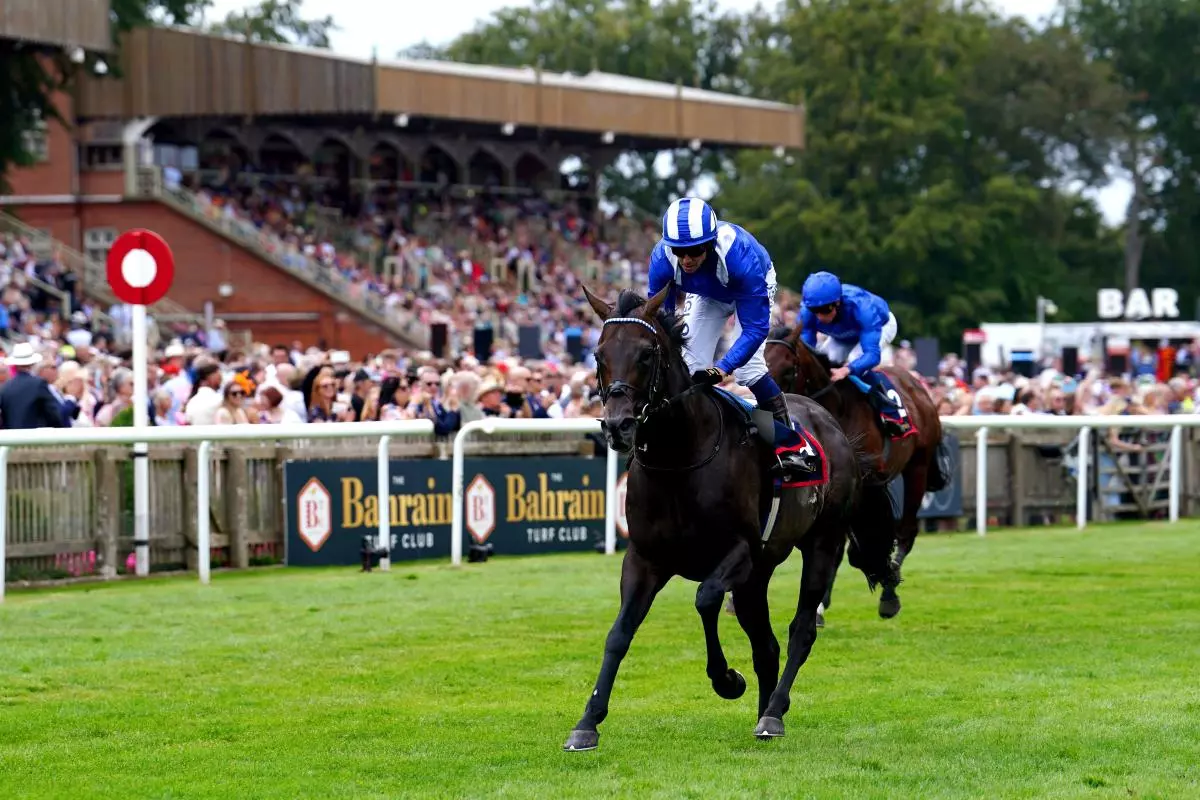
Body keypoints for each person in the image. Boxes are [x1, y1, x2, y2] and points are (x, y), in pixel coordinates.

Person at [648, 197, 813, 476]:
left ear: (710, 243)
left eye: (695, 251)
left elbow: (756, 329)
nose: (686, 260)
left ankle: (790, 446)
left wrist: (723, 368)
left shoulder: (740, 256)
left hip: (749, 288)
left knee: (749, 370)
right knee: (688, 364)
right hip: (707, 294)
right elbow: (663, 323)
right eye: (679, 251)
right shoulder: (661, 260)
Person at [798, 271, 907, 436]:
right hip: (842, 335)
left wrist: (847, 369)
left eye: (825, 309)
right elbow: (807, 351)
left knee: (855, 361)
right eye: (815, 310)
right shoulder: (806, 313)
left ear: (837, 302)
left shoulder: (862, 308)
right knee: (822, 366)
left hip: (880, 326)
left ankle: (891, 412)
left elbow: (872, 355)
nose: (820, 316)